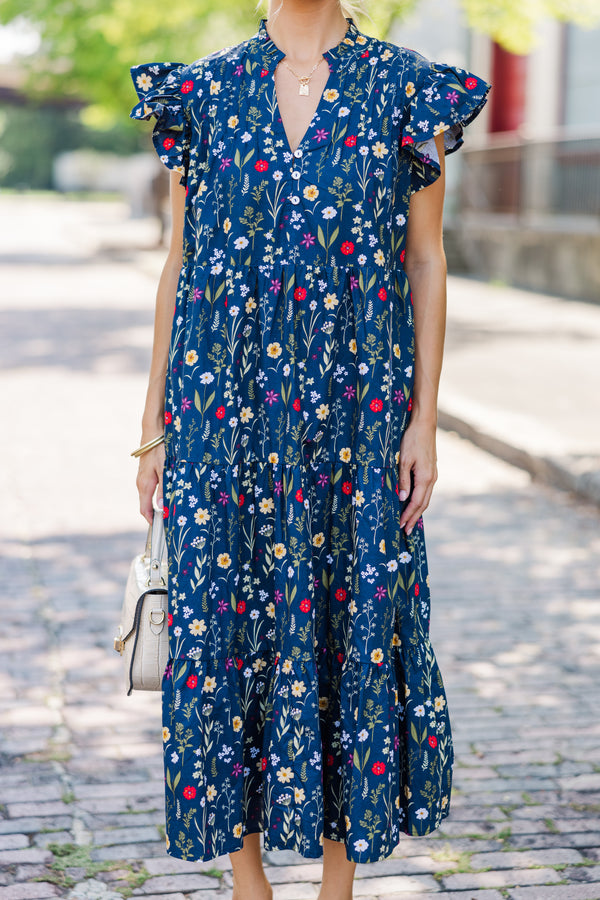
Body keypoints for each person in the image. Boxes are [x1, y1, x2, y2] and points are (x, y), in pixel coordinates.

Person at [129, 0, 490, 897]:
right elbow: (181, 262)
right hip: (225, 417)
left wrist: (424, 420)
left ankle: (338, 890)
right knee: (222, 636)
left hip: (359, 419)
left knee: (353, 636)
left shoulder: (408, 90)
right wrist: (153, 430)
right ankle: (248, 886)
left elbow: (426, 260)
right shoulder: (203, 93)